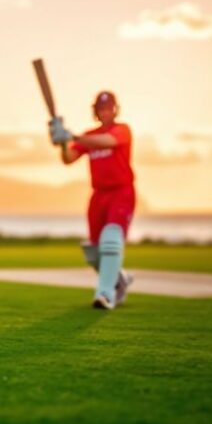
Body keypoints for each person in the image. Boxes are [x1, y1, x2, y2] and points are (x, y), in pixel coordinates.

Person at [49, 91, 135, 310]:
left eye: (109, 108)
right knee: (94, 253)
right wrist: (61, 142)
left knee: (111, 241)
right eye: (101, 109)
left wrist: (72, 137)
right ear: (96, 111)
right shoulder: (89, 135)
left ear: (115, 109)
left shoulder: (122, 130)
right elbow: (69, 159)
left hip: (121, 193)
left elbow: (107, 141)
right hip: (98, 196)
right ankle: (120, 280)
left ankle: (105, 294)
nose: (105, 112)